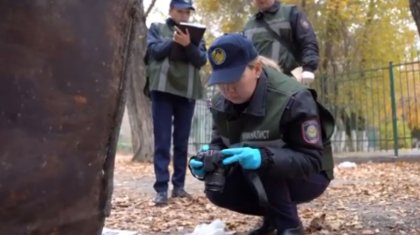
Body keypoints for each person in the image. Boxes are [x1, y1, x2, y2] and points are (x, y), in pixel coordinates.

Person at [188, 34, 335, 235]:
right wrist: (208, 158)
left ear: (256, 69)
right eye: (221, 81)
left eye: (234, 79)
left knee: (265, 161)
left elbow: (312, 160)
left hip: (311, 176)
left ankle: (290, 226)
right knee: (217, 189)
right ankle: (272, 220)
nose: (228, 89)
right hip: (266, 174)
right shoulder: (220, 104)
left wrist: (263, 157)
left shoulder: (293, 98)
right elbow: (219, 144)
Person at [145, 0, 207, 206]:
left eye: (187, 12)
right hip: (162, 90)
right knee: (162, 141)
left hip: (187, 93)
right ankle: (161, 188)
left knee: (181, 142)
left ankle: (179, 187)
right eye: (180, 11)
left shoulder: (197, 34)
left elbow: (201, 60)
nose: (184, 16)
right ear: (171, 11)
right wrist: (174, 41)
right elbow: (153, 52)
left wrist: (188, 45)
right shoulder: (157, 28)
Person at [243, 0, 319, 85]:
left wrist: (309, 67)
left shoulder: (290, 13)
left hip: (290, 80)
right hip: (260, 83)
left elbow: (308, 40)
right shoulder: (249, 25)